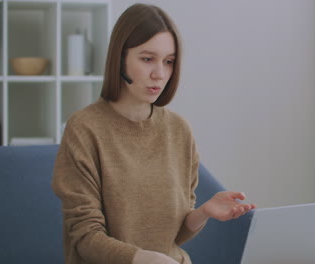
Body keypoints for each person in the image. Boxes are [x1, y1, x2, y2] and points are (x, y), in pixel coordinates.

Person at [52, 3, 256, 264]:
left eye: (169, 62)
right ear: (120, 58)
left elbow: (173, 236)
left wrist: (203, 213)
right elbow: (85, 238)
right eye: (147, 59)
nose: (160, 74)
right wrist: (142, 259)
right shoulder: (85, 128)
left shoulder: (179, 130)